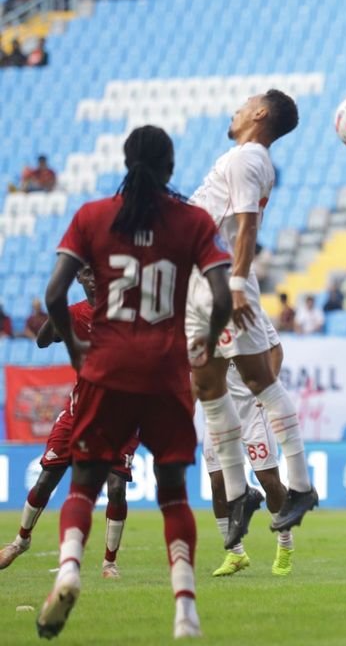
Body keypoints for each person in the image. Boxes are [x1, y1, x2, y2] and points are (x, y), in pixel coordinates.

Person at [34, 125, 232, 639]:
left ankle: (70, 569)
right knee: (173, 495)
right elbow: (222, 295)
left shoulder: (92, 216)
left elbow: (54, 295)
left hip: (108, 370)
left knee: (84, 483)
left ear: (126, 163)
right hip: (167, 373)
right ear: (170, 167)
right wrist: (207, 343)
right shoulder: (193, 221)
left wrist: (75, 347)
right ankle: (185, 609)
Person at [186, 90, 317, 553]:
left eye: (244, 103)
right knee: (208, 386)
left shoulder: (248, 158)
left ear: (260, 113)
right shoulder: (244, 159)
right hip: (203, 281)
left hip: (223, 281)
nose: (235, 109)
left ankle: (300, 485)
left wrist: (237, 284)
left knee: (259, 380)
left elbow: (246, 227)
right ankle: (240, 493)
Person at [0, 267, 135, 579]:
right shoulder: (74, 314)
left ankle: (109, 563)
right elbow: (42, 342)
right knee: (46, 480)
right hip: (80, 413)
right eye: (87, 273)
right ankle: (20, 541)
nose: (94, 278)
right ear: (79, 279)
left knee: (116, 488)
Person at [205, 349, 295, 578]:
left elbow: (276, 349)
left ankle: (285, 544)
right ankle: (235, 553)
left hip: (252, 412)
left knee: (269, 481)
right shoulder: (199, 330)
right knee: (217, 482)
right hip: (218, 412)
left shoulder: (251, 324)